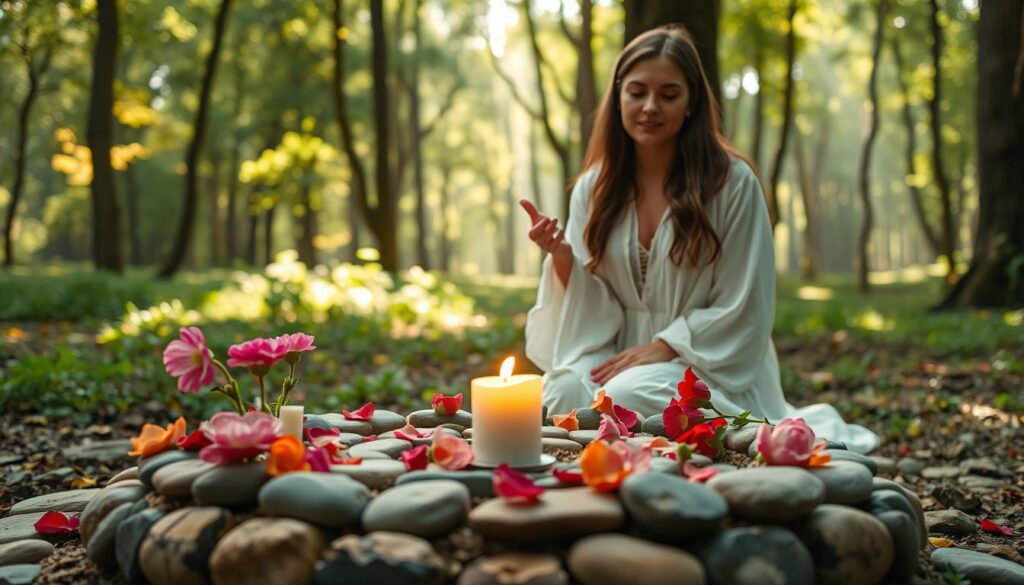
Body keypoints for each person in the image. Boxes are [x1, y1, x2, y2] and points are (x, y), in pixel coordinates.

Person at [520, 25, 879, 454]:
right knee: (559, 390)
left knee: (625, 395)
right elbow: (593, 303)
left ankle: (728, 432)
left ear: (691, 102)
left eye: (668, 94)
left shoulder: (732, 184)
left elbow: (746, 303)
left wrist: (667, 345)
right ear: (618, 97)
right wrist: (562, 257)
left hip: (706, 361)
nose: (650, 106)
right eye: (637, 92)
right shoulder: (594, 188)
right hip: (618, 353)